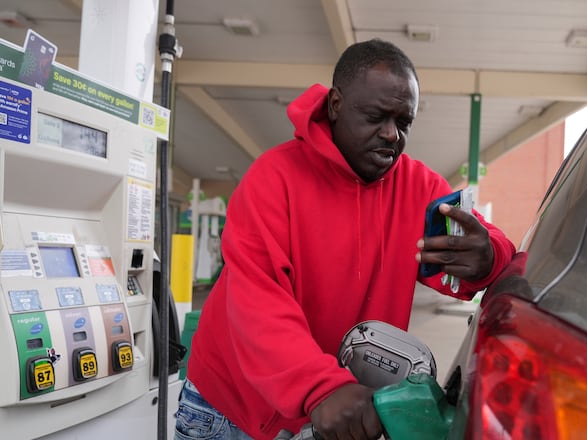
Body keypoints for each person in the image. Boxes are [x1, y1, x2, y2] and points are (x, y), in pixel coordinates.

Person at [174, 38, 516, 440]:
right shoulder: (274, 179)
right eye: (375, 116)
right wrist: (321, 387)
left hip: (332, 410)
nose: (391, 134)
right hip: (230, 408)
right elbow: (258, 304)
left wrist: (488, 257)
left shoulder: (418, 188)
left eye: (403, 122)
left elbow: (480, 241)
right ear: (336, 104)